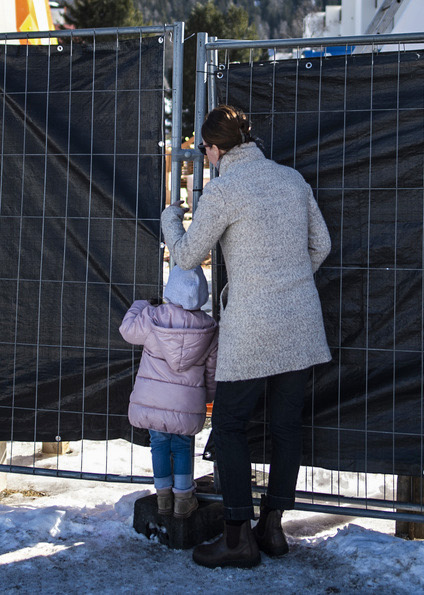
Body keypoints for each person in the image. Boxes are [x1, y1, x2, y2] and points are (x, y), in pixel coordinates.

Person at [160, 105, 331, 569]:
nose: (207, 159)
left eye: (206, 151)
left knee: (231, 426)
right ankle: (272, 530)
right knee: (286, 426)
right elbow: (323, 245)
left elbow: (189, 255)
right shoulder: (291, 179)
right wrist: (289, 280)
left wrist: (169, 221)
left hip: (253, 326)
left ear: (215, 149)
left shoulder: (224, 190)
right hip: (300, 321)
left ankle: (237, 538)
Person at [120, 265, 218, 519]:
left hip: (152, 399)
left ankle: (163, 496)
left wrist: (141, 305)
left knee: (159, 444)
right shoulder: (209, 328)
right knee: (183, 445)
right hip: (187, 402)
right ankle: (184, 498)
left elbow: (127, 331)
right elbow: (211, 369)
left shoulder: (153, 317)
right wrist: (207, 396)